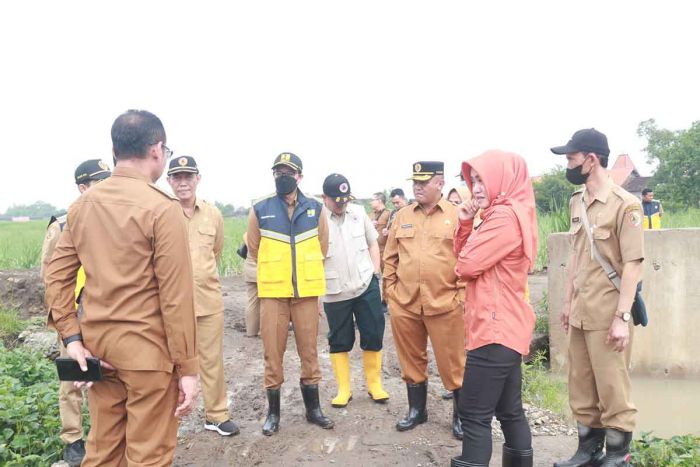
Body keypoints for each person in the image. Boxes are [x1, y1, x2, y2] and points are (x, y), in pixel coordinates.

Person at [45, 109, 200, 466]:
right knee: (148, 455)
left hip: (99, 352)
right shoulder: (162, 209)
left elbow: (57, 276)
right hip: (148, 355)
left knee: (102, 451)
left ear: (114, 150)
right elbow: (176, 299)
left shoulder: (82, 207)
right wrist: (188, 369)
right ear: (157, 150)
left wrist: (72, 338)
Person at [551, 129, 643, 467]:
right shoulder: (578, 201)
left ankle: (618, 455)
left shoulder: (625, 205)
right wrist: (565, 303)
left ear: (592, 160)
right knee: (581, 384)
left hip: (608, 313)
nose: (568, 164)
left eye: (572, 158)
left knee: (612, 386)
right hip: (580, 310)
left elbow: (632, 265)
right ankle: (588, 450)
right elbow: (577, 256)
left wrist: (621, 319)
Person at [450, 150, 538, 467]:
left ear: (501, 179)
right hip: (505, 331)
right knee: (510, 411)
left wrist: (467, 232)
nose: (475, 188)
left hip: (494, 331)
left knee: (474, 415)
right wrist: (464, 223)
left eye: (481, 180)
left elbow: (465, 266)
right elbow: (468, 257)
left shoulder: (502, 218)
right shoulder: (510, 213)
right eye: (472, 181)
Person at [246, 152, 334, 436]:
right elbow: (255, 249)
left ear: (299, 176)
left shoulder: (316, 209)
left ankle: (313, 409)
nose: (283, 176)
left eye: (289, 172)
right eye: (278, 171)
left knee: (309, 352)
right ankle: (273, 413)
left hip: (306, 293)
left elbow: (322, 246)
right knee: (272, 353)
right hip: (273, 293)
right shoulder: (260, 209)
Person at [383, 161, 465, 440]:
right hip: (405, 302)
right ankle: (417, 411)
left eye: (423, 182)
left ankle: (461, 417)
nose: (417, 186)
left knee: (453, 362)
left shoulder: (456, 215)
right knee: (410, 360)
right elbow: (390, 257)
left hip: (445, 303)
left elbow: (467, 258)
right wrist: (391, 293)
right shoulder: (402, 215)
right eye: (414, 182)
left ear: (439, 183)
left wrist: (460, 296)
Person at [40, 159, 111, 467]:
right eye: (99, 183)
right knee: (71, 379)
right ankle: (73, 439)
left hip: (103, 313)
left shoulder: (112, 221)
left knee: (103, 377)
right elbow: (51, 277)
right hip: (72, 314)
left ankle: (102, 433)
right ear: (83, 188)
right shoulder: (62, 226)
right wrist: (64, 321)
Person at [166, 156, 239, 437]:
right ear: (169, 181)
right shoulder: (160, 212)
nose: (183, 182)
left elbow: (215, 251)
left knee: (211, 361)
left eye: (188, 176)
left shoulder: (213, 214)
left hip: (207, 302)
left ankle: (216, 415)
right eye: (177, 177)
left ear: (198, 178)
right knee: (171, 363)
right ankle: (170, 417)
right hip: (171, 306)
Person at [320, 174, 389, 408]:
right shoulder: (317, 220)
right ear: (325, 198)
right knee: (339, 340)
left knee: (373, 333)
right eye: (336, 201)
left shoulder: (359, 213)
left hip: (365, 284)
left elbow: (373, 243)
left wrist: (375, 272)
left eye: (345, 200)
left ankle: (374, 385)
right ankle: (344, 390)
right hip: (334, 290)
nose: (341, 205)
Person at [239, 232, 261, 337]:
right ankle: (264, 331)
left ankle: (251, 332)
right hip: (264, 269)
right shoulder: (270, 229)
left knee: (252, 301)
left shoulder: (248, 234)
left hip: (250, 269)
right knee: (268, 302)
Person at [370, 192, 391, 267]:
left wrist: (389, 232)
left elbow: (394, 231)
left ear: (379, 201)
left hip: (384, 253)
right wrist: (370, 225)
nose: (370, 202)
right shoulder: (370, 215)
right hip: (372, 252)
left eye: (372, 200)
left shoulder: (389, 214)